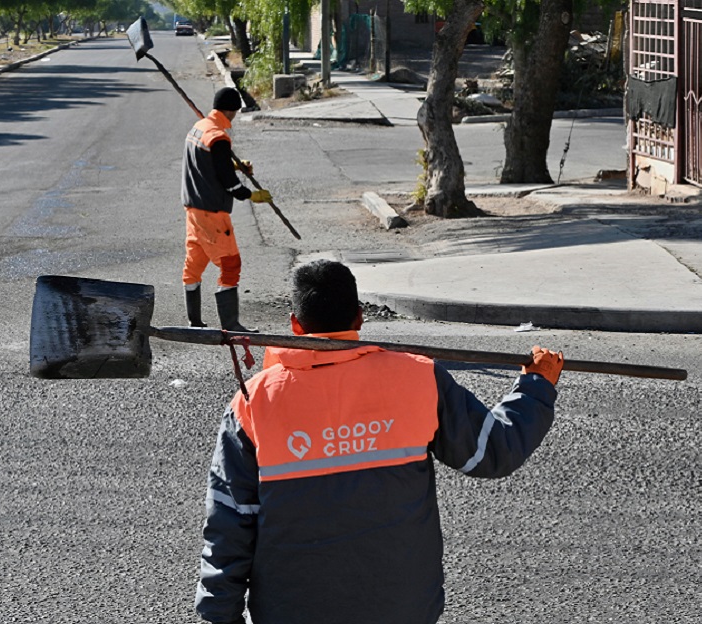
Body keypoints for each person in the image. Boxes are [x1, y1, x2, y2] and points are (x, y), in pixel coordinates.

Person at [195, 259, 564, 624]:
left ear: (295, 324)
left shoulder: (253, 402)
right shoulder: (419, 377)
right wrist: (536, 385)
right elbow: (494, 450)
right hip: (402, 609)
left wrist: (219, 616)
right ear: (358, 319)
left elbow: (228, 524)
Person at [181, 87, 272, 331]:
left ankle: (195, 322)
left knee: (194, 264)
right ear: (231, 111)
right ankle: (231, 325)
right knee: (231, 265)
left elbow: (209, 163)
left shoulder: (199, 127)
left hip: (193, 210)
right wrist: (252, 195)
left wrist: (237, 167)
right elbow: (228, 182)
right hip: (212, 211)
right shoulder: (218, 136)